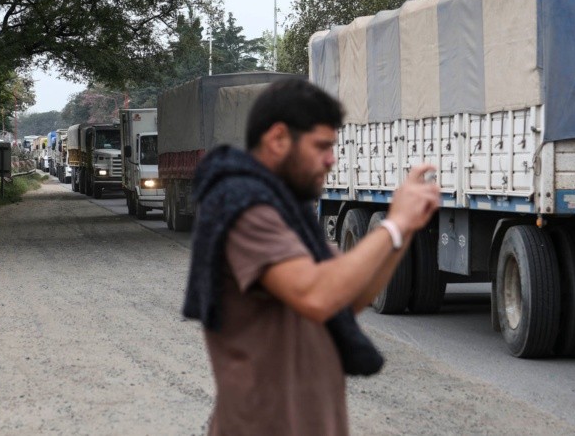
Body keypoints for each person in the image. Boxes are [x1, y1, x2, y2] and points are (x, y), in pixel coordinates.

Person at [183, 79, 440, 436]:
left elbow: (347, 298)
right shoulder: (243, 209)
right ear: (277, 139)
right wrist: (393, 225)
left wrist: (407, 228)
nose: (331, 159)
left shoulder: (289, 213)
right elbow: (317, 296)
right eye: (321, 146)